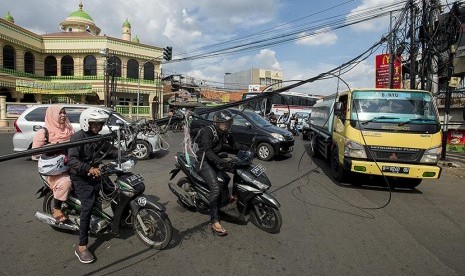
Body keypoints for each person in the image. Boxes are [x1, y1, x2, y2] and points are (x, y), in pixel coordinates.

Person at [68, 107, 118, 264]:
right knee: (87, 207)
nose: (97, 127)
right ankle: (82, 246)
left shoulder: (97, 137)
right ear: (86, 123)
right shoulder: (78, 138)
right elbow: (72, 160)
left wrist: (124, 153)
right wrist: (88, 168)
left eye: (100, 124)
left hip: (96, 173)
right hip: (81, 177)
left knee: (114, 191)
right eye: (94, 124)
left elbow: (109, 149)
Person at [193, 109, 249, 236]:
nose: (226, 126)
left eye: (228, 123)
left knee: (234, 173)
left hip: (215, 159)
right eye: (224, 124)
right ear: (217, 123)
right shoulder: (208, 131)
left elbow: (235, 146)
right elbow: (208, 151)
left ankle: (229, 198)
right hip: (204, 161)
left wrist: (249, 150)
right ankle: (214, 220)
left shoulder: (226, 132)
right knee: (215, 189)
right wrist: (221, 162)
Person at [32, 105, 74, 223]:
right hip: (54, 171)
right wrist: (51, 147)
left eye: (64, 113)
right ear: (52, 116)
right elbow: (34, 154)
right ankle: (56, 208)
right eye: (59, 113)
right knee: (66, 183)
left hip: (70, 164)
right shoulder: (43, 132)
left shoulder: (69, 129)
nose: (63, 115)